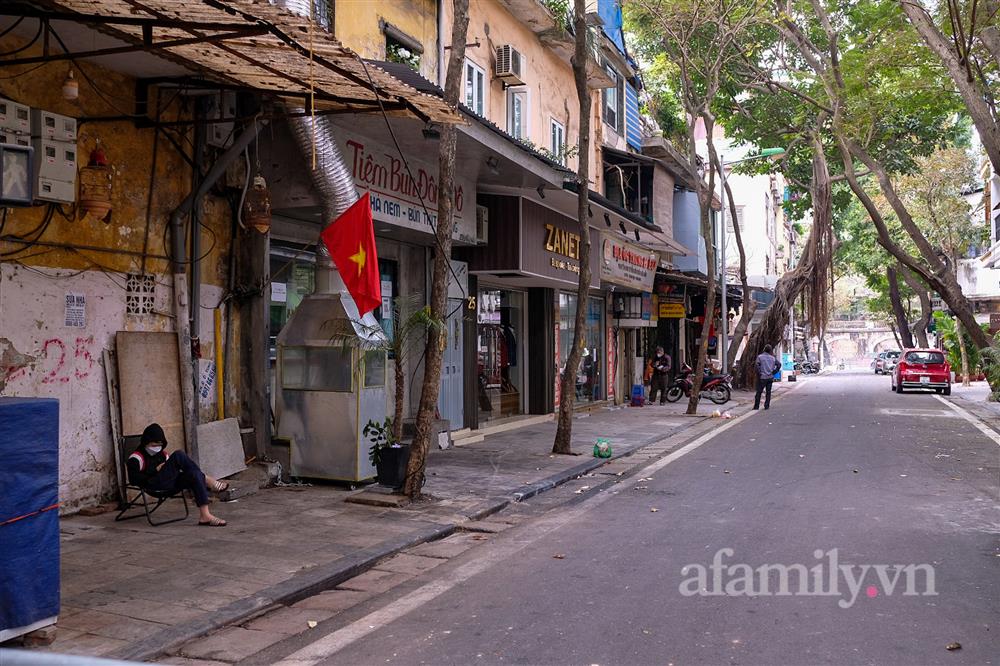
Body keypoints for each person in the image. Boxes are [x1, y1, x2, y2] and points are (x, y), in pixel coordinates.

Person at [126, 423, 229, 526]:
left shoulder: (163, 454)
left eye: (159, 445)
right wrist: (155, 470)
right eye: (153, 445)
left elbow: (172, 472)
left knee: (194, 474)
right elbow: (133, 480)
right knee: (179, 455)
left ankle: (205, 515)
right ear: (146, 443)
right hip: (153, 485)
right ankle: (208, 480)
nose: (157, 448)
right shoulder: (136, 458)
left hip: (170, 484)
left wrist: (167, 469)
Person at [754, 344, 779, 410]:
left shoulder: (760, 357)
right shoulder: (773, 358)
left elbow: (756, 366)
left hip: (762, 377)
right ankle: (766, 405)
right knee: (768, 392)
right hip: (770, 377)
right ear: (770, 350)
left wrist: (759, 373)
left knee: (759, 392)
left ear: (764, 349)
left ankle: (756, 406)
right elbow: (779, 364)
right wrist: (774, 371)